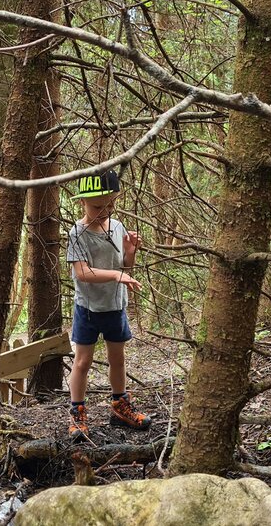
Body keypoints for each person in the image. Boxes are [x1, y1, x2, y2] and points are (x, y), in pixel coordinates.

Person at [65, 169, 152, 439]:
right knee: (83, 362)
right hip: (88, 309)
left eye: (110, 205)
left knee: (118, 358)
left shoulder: (117, 226)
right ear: (82, 202)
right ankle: (78, 413)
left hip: (115, 306)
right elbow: (82, 273)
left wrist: (129, 253)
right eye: (97, 206)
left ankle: (119, 405)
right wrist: (117, 274)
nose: (104, 211)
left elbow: (124, 266)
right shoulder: (77, 234)